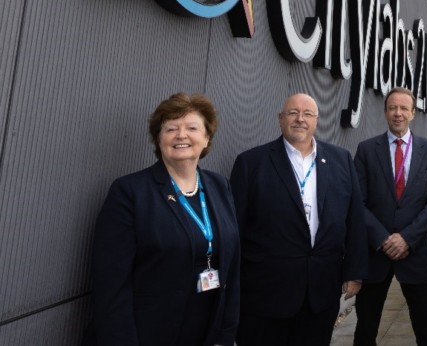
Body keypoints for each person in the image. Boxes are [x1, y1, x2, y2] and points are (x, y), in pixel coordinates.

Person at [84, 93, 240, 346]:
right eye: (171, 128)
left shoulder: (220, 186)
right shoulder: (130, 192)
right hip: (147, 333)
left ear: (206, 137)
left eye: (192, 127)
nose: (181, 135)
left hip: (206, 332)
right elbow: (111, 285)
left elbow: (232, 268)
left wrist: (226, 335)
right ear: (159, 138)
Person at [230, 93, 367, 345]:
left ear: (317, 120)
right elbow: (234, 229)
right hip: (266, 293)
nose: (300, 119)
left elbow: (355, 219)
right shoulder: (251, 163)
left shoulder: (341, 160)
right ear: (280, 119)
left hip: (321, 291)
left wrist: (355, 271)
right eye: (293, 113)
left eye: (307, 114)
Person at [354, 86, 427, 346]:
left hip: (415, 253)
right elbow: (357, 202)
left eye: (404, 108)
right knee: (366, 328)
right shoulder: (366, 150)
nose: (398, 113)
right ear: (385, 112)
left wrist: (406, 239)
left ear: (413, 113)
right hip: (375, 255)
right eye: (392, 108)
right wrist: (384, 239)